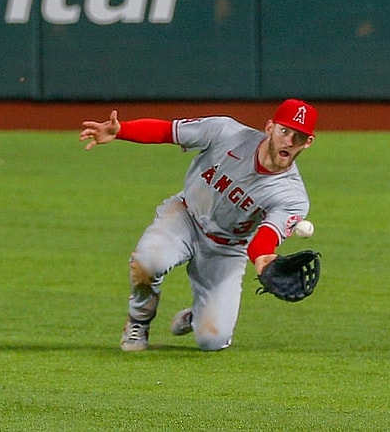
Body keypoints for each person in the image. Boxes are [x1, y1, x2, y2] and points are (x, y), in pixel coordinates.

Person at [79, 99, 318, 352]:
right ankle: (138, 320)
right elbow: (167, 131)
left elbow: (264, 239)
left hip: (226, 249)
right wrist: (121, 131)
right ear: (270, 127)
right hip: (185, 217)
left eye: (299, 137)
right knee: (147, 262)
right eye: (285, 131)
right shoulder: (226, 132)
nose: (290, 141)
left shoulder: (292, 197)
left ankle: (198, 316)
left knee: (212, 340)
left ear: (308, 142)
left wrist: (263, 261)